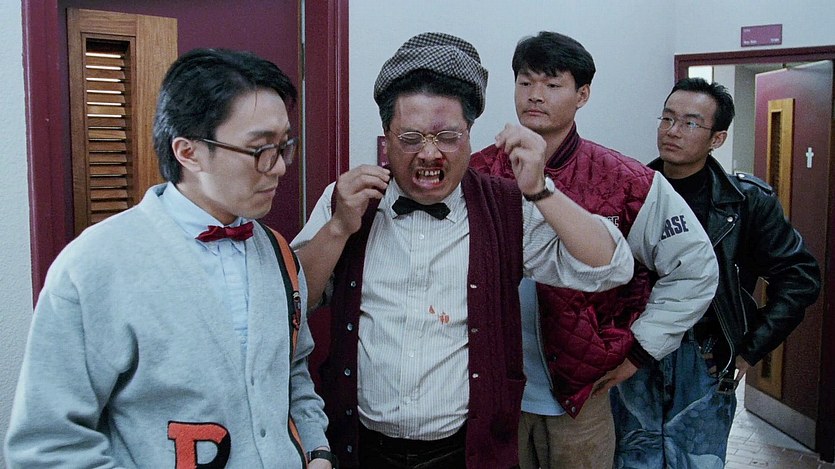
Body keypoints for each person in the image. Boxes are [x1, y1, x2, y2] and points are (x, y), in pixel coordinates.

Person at [291, 32, 635, 469]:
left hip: (467, 452)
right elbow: (295, 302)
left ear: (470, 135)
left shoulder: (506, 206)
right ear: (386, 137)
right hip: (360, 446)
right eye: (410, 137)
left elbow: (611, 267)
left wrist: (542, 190)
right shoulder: (349, 200)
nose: (429, 153)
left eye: (447, 136)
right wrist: (339, 227)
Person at [4, 49, 336, 468]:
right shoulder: (97, 265)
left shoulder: (277, 252)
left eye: (284, 145)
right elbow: (48, 447)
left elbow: (292, 373)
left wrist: (316, 451)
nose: (279, 168)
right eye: (259, 149)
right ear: (188, 152)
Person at [469, 31, 719, 469]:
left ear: (582, 95)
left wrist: (640, 350)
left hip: (581, 397)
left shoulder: (626, 180)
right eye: (525, 82)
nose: (535, 95)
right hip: (492, 391)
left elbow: (695, 268)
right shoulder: (479, 171)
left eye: (552, 84)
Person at [611, 77, 822, 468]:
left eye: (690, 123)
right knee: (631, 458)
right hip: (634, 346)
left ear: (717, 138)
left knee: (697, 461)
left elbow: (800, 278)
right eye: (667, 118)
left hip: (705, 354)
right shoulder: (629, 191)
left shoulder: (746, 202)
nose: (672, 131)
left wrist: (748, 350)